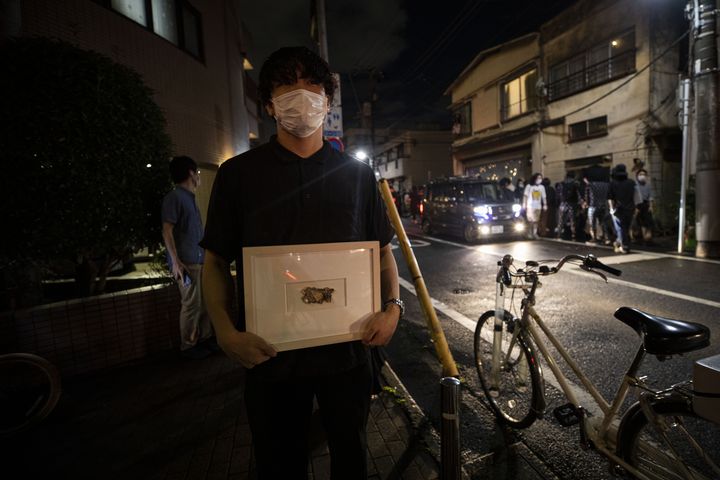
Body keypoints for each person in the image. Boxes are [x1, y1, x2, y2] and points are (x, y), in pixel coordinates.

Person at [199, 46, 402, 480]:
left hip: (348, 353)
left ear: (328, 104)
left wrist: (393, 308)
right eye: (287, 86)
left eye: (313, 87)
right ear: (269, 104)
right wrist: (225, 333)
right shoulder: (238, 175)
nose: (302, 96)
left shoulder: (358, 176)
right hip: (269, 355)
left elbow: (382, 252)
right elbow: (214, 261)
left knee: (352, 455)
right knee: (278, 463)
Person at [161, 156, 216, 359]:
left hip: (197, 260)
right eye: (198, 173)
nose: (199, 177)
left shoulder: (187, 197)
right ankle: (188, 346)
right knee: (191, 305)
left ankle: (204, 339)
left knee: (202, 303)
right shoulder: (175, 197)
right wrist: (176, 262)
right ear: (192, 173)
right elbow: (166, 230)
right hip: (186, 262)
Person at [608, 163, 640, 254]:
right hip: (630, 209)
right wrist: (636, 207)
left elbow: (610, 198)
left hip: (618, 209)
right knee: (626, 227)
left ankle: (624, 246)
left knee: (620, 228)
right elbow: (637, 196)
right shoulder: (631, 183)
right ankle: (620, 243)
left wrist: (611, 209)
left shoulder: (613, 184)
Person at [556, 171, 580, 240]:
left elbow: (558, 194)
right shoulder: (576, 183)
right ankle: (573, 234)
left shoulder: (561, 183)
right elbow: (578, 195)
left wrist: (558, 203)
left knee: (561, 220)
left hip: (563, 204)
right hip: (572, 204)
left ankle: (559, 234)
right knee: (573, 220)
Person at [633, 168, 655, 245]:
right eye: (640, 174)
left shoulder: (648, 185)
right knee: (637, 222)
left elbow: (650, 197)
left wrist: (651, 206)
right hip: (637, 204)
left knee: (648, 221)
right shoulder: (635, 185)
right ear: (637, 176)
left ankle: (647, 238)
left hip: (645, 204)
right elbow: (633, 196)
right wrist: (635, 207)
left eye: (644, 175)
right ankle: (638, 238)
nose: (642, 176)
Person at [523, 172, 547, 239]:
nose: (540, 179)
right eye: (538, 178)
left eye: (541, 178)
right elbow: (525, 196)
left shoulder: (542, 187)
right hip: (530, 206)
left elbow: (544, 197)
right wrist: (524, 204)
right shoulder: (529, 186)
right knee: (530, 221)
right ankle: (529, 233)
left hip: (538, 206)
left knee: (536, 221)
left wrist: (545, 204)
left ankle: (535, 233)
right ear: (535, 178)